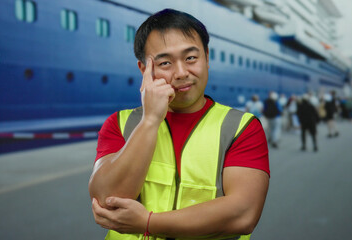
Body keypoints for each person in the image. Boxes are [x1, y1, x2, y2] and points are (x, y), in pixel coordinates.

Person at [88, 9, 270, 240]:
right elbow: (105, 200)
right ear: (145, 70)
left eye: (191, 58)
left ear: (206, 57)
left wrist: (148, 223)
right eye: (165, 63)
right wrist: (150, 120)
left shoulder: (240, 128)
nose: (182, 73)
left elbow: (243, 214)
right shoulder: (120, 124)